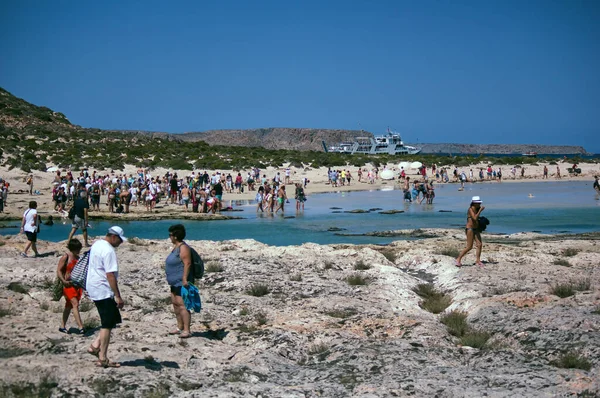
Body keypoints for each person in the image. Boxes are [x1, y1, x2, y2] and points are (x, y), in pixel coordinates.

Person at [86, 226, 126, 368]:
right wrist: (118, 295)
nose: (120, 243)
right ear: (114, 237)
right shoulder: (109, 251)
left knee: (112, 319)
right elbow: (110, 275)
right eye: (120, 240)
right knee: (107, 324)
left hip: (93, 286)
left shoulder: (97, 244)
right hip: (102, 289)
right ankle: (102, 357)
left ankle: (95, 346)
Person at [166, 224, 193, 339]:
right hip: (173, 282)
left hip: (180, 282)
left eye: (170, 235)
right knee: (175, 304)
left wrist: (185, 278)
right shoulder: (176, 247)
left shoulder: (183, 248)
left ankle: (187, 329)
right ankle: (179, 326)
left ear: (175, 236)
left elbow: (187, 263)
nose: (169, 237)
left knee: (182, 305)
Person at [57, 239, 85, 334]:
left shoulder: (79, 258)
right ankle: (81, 327)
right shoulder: (66, 257)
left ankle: (62, 326)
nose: (79, 251)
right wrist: (63, 281)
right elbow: (59, 270)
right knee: (75, 304)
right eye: (77, 249)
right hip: (68, 285)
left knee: (68, 306)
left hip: (76, 285)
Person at [456, 196, 485, 268]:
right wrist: (480, 210)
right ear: (474, 203)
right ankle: (458, 259)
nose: (479, 204)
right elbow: (474, 218)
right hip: (470, 229)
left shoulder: (477, 208)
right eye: (478, 203)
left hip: (476, 229)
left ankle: (478, 260)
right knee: (469, 246)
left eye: (479, 203)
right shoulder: (470, 209)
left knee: (479, 244)